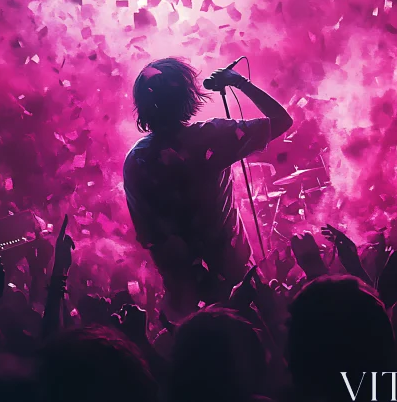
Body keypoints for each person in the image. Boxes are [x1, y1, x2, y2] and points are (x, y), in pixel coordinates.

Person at [123, 57, 293, 316]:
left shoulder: (136, 160)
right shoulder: (209, 137)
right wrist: (239, 82)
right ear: (187, 96)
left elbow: (149, 236)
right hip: (237, 284)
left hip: (186, 298)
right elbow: (281, 120)